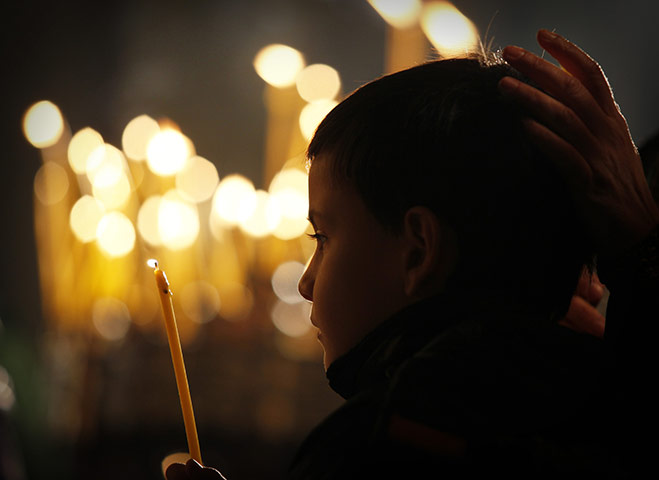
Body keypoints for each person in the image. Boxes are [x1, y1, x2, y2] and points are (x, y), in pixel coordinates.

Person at [167, 30, 659, 479]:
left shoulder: (380, 443)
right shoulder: (616, 412)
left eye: (323, 239)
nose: (306, 282)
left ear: (419, 250)